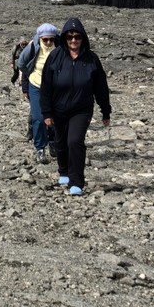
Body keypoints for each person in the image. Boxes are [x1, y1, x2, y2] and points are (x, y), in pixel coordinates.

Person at [40, 16, 111, 196]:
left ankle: (76, 181)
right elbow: (46, 86)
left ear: (83, 38)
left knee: (75, 141)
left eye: (77, 37)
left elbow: (101, 87)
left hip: (82, 108)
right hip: (58, 108)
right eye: (70, 36)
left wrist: (105, 110)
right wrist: (46, 112)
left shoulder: (91, 59)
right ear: (64, 38)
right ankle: (63, 170)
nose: (73, 40)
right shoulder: (55, 57)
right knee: (60, 142)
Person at [18, 23, 59, 162]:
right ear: (40, 37)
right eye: (45, 39)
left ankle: (53, 143)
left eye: (51, 39)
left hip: (54, 88)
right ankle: (40, 148)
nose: (48, 42)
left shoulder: (60, 47)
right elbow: (22, 64)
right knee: (38, 118)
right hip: (36, 86)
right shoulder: (33, 47)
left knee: (55, 117)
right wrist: (27, 82)